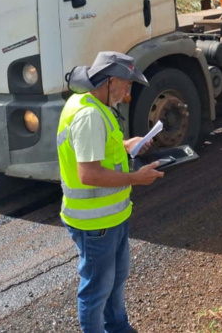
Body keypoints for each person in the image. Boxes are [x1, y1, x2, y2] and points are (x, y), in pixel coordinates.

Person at [57, 51, 164, 333]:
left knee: (114, 281)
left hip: (110, 218)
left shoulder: (91, 104)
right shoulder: (89, 115)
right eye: (126, 84)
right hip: (96, 224)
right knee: (97, 290)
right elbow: (88, 173)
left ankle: (118, 328)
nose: (128, 91)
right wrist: (136, 178)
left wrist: (129, 145)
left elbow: (101, 149)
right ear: (110, 81)